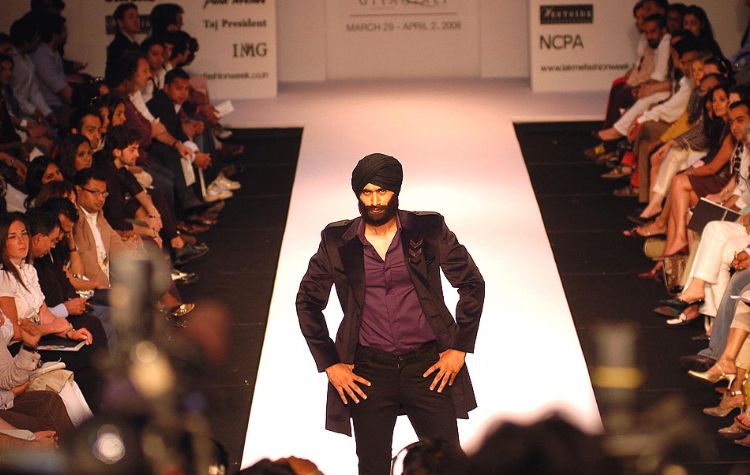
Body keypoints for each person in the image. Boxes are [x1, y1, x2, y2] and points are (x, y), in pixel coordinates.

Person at [296, 153, 485, 475]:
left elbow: (471, 283)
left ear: (396, 191)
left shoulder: (428, 229)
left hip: (428, 366)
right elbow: (307, 301)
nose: (374, 201)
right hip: (368, 370)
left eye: (382, 192)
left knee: (447, 465)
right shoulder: (337, 241)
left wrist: (459, 348)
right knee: (372, 467)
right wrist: (330, 363)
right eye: (366, 192)